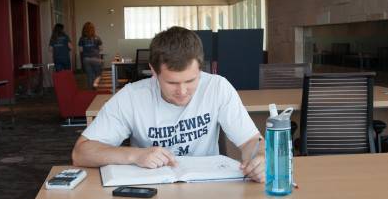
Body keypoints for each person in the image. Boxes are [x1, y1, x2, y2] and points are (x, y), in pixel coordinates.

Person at [72, 26, 265, 182]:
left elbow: (250, 141)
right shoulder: (131, 96)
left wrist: (261, 158)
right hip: (152, 190)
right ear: (153, 72)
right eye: (172, 83)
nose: (182, 91)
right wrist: (135, 155)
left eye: (191, 81)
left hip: (206, 187)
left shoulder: (217, 87)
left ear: (201, 68)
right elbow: (81, 153)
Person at [79, 22, 103, 88]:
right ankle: (95, 86)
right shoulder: (97, 38)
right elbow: (101, 48)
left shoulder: (81, 38)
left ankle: (90, 91)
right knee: (98, 75)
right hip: (96, 59)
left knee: (89, 75)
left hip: (86, 59)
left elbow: (80, 50)